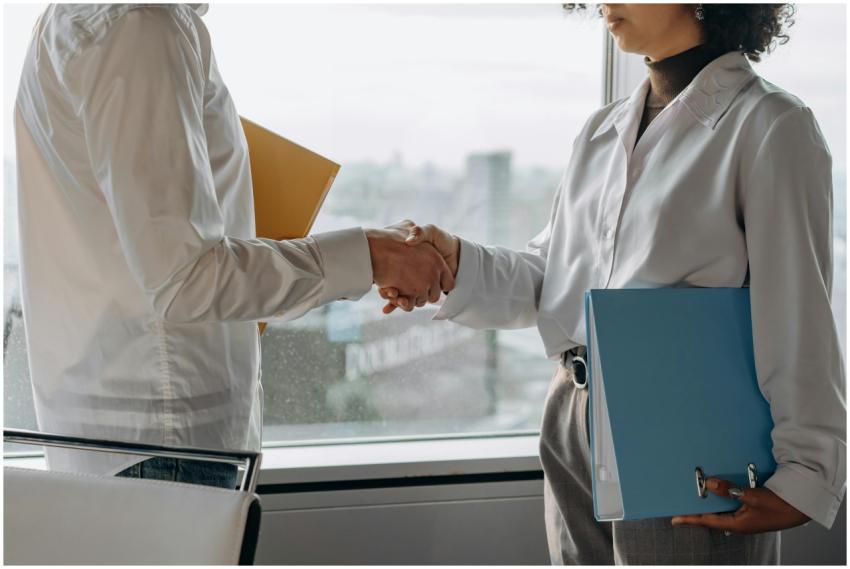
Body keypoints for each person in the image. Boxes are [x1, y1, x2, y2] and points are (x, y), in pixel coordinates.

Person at [380, 3, 846, 564]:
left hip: (683, 426)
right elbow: (556, 277)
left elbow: (796, 309)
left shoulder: (771, 123)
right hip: (570, 413)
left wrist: (807, 474)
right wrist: (456, 263)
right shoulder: (602, 129)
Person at [13, 4, 453, 488]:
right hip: (163, 440)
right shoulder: (142, 26)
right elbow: (187, 280)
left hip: (138, 435)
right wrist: (370, 255)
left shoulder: (97, 20)